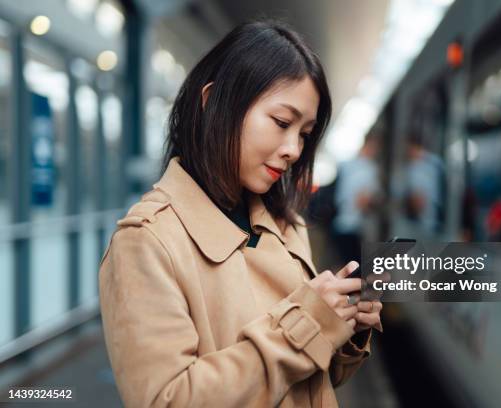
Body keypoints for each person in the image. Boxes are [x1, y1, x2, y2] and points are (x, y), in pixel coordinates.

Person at [98, 20, 382, 408]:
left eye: (304, 133)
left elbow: (314, 381)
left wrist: (344, 326)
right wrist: (308, 324)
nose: (294, 149)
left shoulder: (286, 223)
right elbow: (167, 400)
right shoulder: (146, 242)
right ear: (213, 100)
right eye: (283, 123)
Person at [331, 131, 381, 265]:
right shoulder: (369, 169)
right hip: (353, 226)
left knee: (344, 264)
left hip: (339, 223)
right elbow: (364, 200)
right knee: (354, 267)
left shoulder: (346, 164)